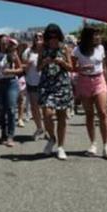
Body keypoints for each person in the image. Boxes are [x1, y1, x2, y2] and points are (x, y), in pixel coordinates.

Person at [72, 26, 107, 159]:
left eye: (99, 35)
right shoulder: (77, 50)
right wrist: (81, 67)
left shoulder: (100, 48)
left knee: (102, 112)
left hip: (99, 80)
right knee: (89, 114)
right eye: (96, 35)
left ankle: (106, 146)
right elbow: (72, 67)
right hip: (84, 81)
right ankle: (93, 144)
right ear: (88, 37)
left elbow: (104, 66)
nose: (98, 37)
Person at [38, 23, 73, 160]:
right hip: (47, 84)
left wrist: (62, 62)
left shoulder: (64, 48)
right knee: (47, 113)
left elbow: (71, 68)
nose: (53, 39)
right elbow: (37, 68)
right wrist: (45, 62)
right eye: (50, 36)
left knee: (62, 117)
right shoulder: (42, 48)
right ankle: (52, 138)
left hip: (62, 84)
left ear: (59, 36)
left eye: (55, 36)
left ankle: (61, 146)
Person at [0, 35, 23, 146]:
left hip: (11, 83)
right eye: (1, 42)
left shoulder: (13, 54)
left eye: (6, 42)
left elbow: (21, 69)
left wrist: (11, 71)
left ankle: (10, 136)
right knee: (1, 109)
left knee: (11, 108)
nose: (4, 44)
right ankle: (3, 131)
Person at [22, 32, 45, 140]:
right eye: (36, 36)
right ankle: (39, 128)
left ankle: (48, 129)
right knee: (35, 108)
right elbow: (24, 68)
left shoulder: (46, 51)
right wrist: (28, 65)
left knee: (46, 108)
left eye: (40, 36)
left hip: (45, 83)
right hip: (32, 82)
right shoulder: (28, 51)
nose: (38, 38)